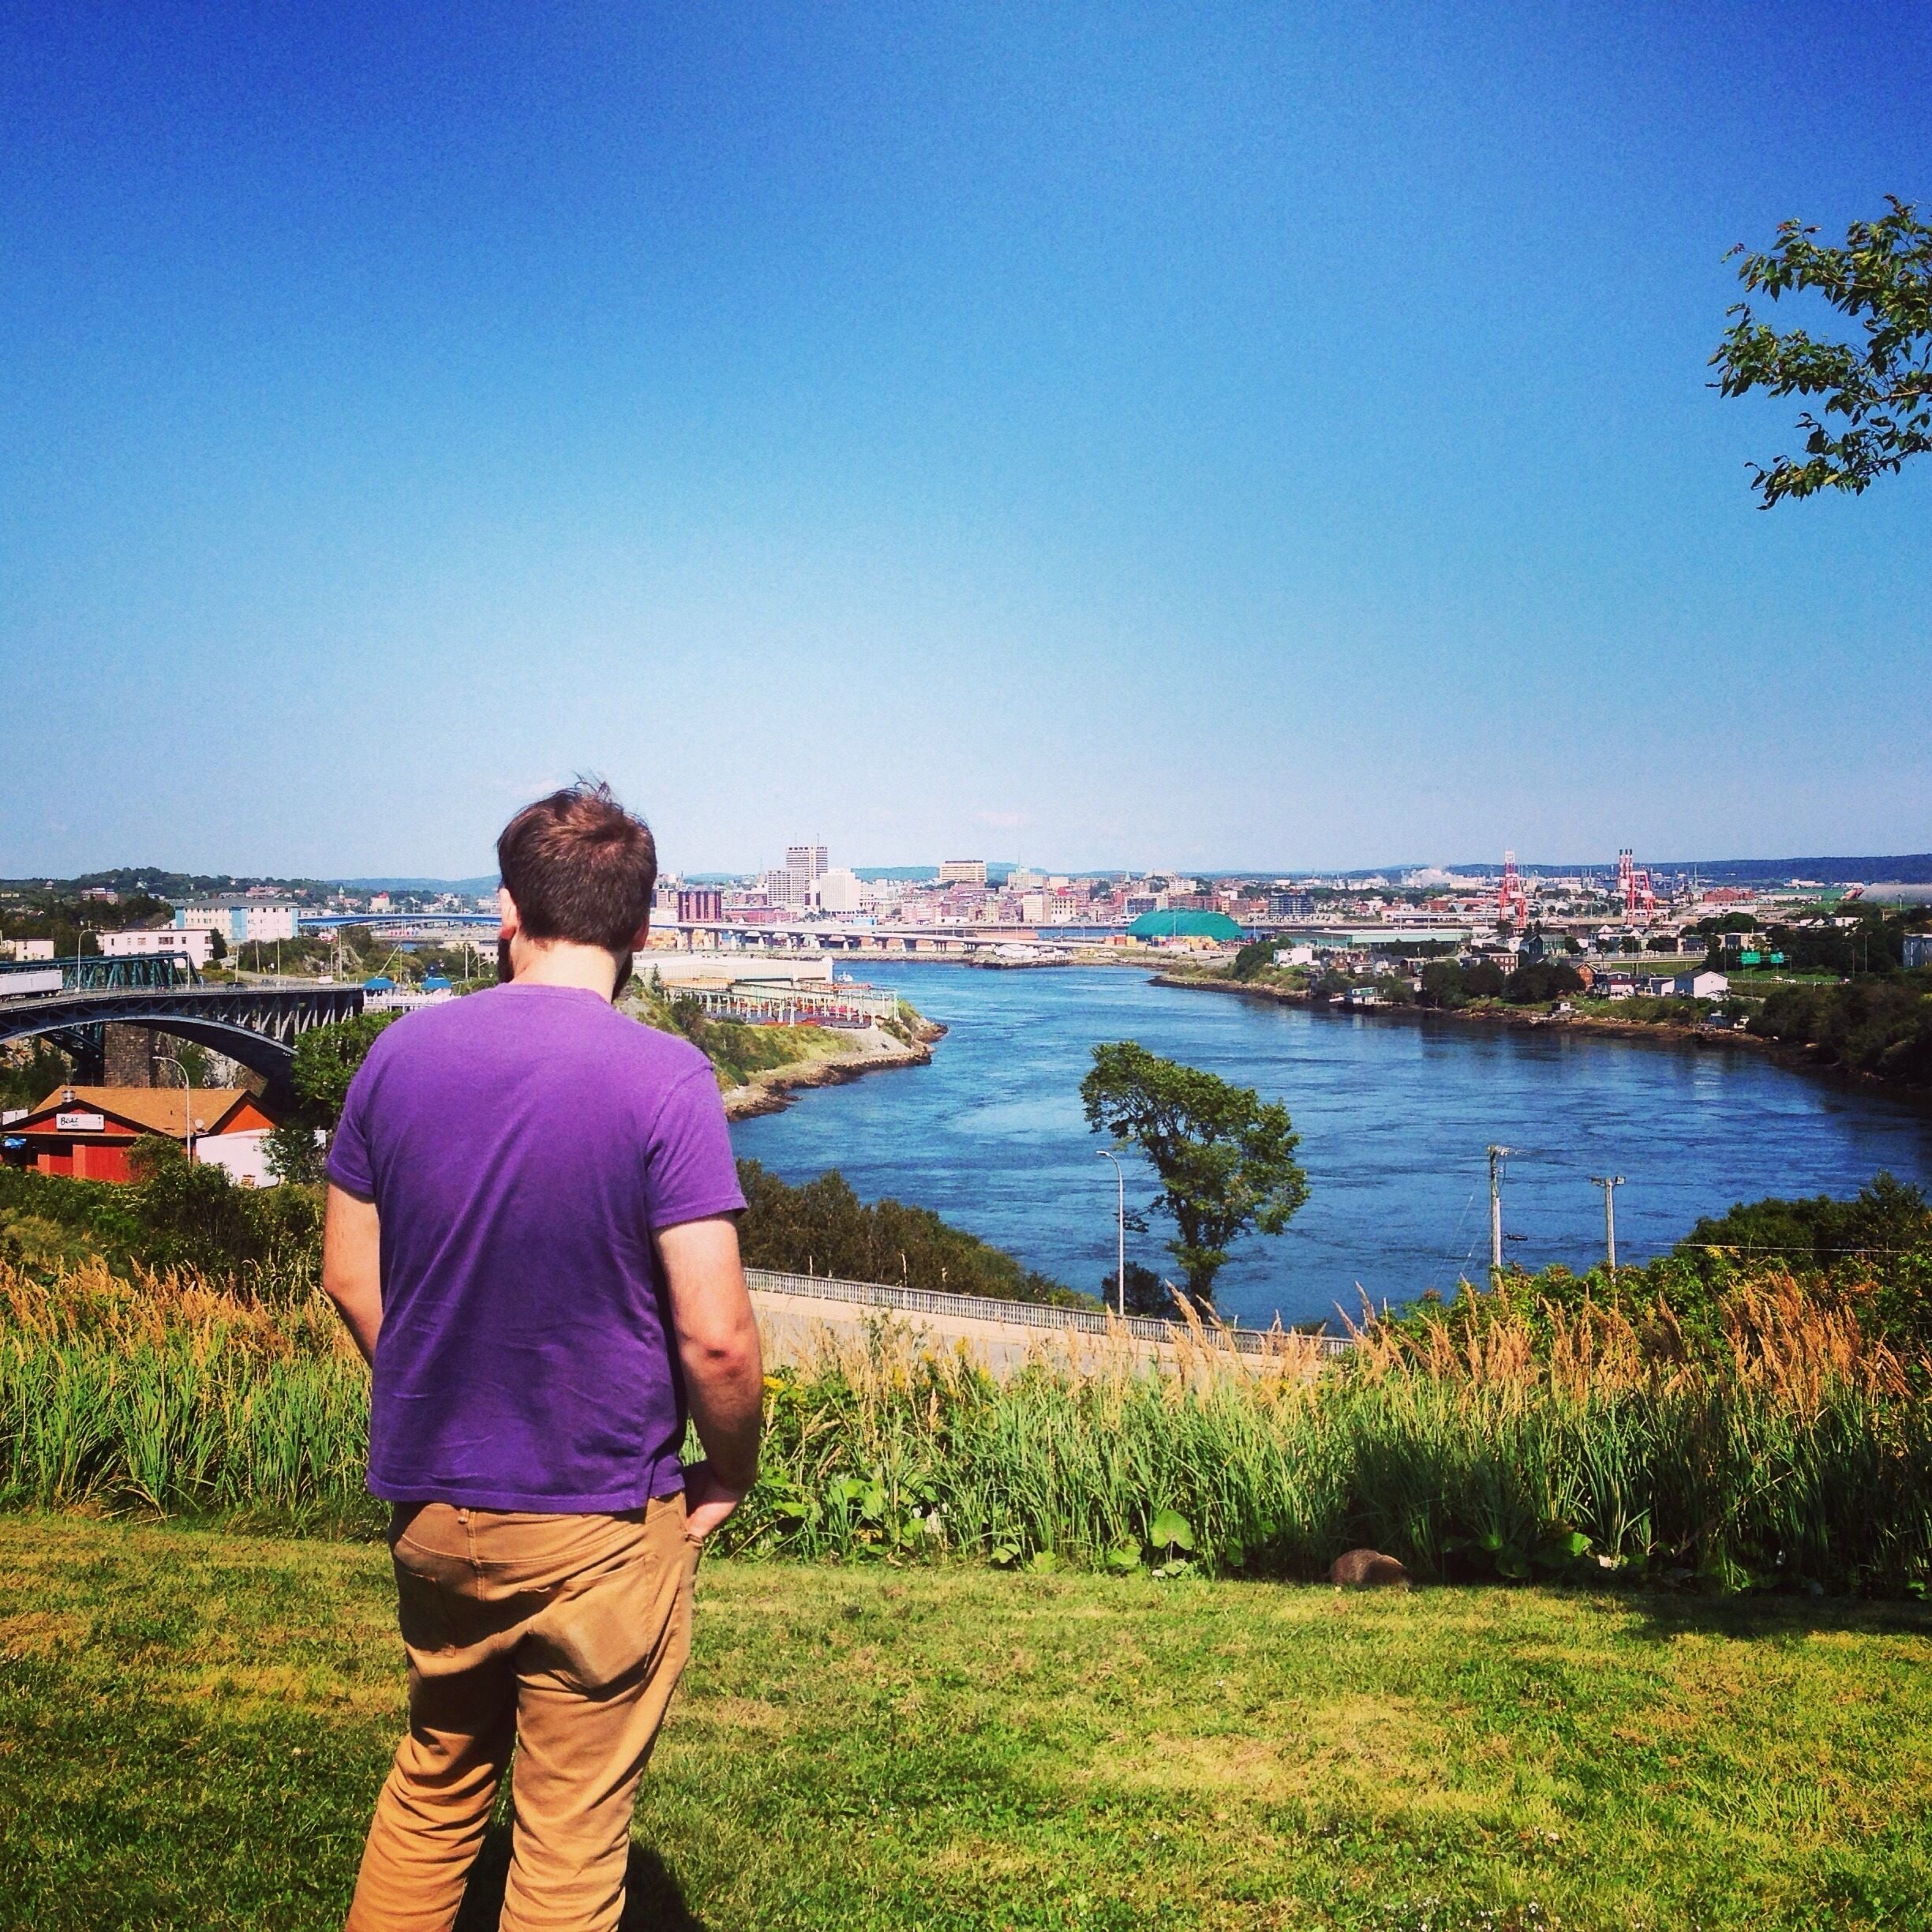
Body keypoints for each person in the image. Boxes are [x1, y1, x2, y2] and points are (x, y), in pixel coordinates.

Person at [322, 781, 762, 1932]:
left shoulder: (398, 1058)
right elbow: (714, 1333)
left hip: (434, 1502)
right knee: (568, 1837)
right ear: (644, 933)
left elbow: (347, 1274)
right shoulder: (666, 1078)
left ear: (506, 914)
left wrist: (439, 1384)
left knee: (434, 1789)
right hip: (601, 1515)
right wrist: (730, 1472)